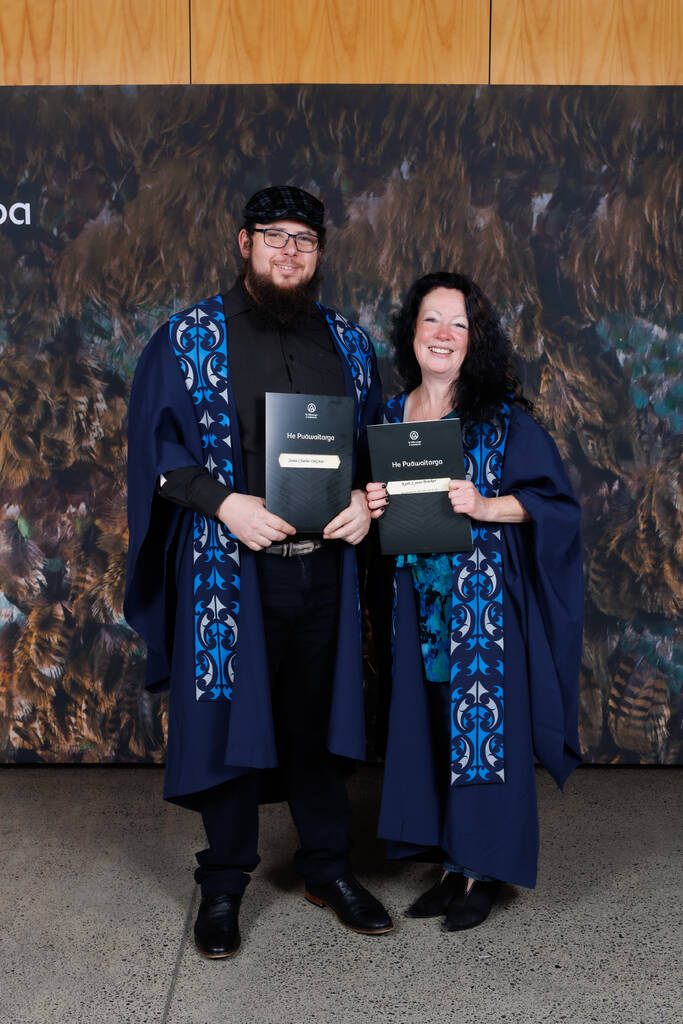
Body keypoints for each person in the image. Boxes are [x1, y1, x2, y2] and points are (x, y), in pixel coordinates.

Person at [124, 186, 392, 959]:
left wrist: (362, 504)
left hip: (324, 572)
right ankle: (223, 882)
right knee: (234, 725)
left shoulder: (347, 342)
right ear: (244, 243)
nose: (289, 252)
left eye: (304, 240)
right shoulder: (189, 338)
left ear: (318, 253)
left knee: (315, 719)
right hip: (227, 569)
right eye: (274, 236)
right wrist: (224, 504)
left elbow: (372, 455)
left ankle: (327, 868)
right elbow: (157, 454)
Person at [366, 272, 583, 931]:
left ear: (472, 341)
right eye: (431, 320)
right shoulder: (389, 415)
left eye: (457, 324)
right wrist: (372, 503)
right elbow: (371, 511)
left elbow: (555, 507)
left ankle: (482, 870)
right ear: (411, 331)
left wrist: (485, 504)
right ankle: (450, 862)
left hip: (482, 606)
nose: (442, 334)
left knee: (485, 734)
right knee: (432, 729)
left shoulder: (500, 420)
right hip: (415, 605)